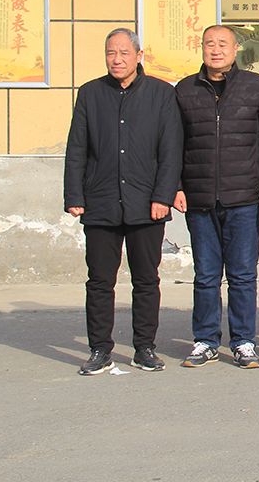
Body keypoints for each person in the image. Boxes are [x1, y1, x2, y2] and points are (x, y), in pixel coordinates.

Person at [64, 28, 182, 376]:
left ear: (139, 55)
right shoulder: (90, 93)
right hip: (100, 201)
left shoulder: (161, 93)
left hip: (147, 203)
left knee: (146, 280)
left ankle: (145, 347)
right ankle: (100, 349)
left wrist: (163, 196)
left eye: (123, 53)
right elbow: (77, 148)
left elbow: (171, 150)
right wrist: (74, 195)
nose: (116, 60)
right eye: (110, 53)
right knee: (100, 281)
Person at [173, 25, 259, 370]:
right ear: (201, 48)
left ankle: (244, 342)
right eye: (209, 44)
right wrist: (176, 186)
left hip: (244, 197)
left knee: (243, 274)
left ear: (235, 49)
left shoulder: (256, 87)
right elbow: (174, 143)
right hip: (199, 197)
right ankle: (205, 340)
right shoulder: (185, 90)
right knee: (205, 275)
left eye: (222, 44)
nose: (215, 50)